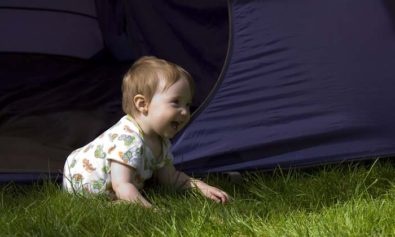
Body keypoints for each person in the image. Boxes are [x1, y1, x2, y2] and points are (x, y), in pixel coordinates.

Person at [62, 56, 229, 207]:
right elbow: (121, 185)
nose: (185, 112)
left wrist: (201, 187)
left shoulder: (161, 140)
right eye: (175, 102)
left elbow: (169, 178)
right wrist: (151, 210)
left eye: (187, 104)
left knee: (131, 197)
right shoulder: (128, 139)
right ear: (143, 104)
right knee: (121, 202)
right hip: (83, 180)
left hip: (116, 184)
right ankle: (108, 205)